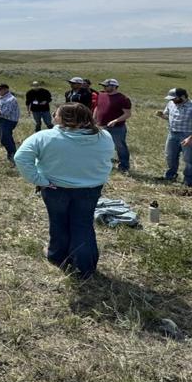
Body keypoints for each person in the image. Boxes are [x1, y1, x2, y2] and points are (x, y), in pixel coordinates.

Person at [13, 103, 115, 280]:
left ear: (64, 118)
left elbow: (21, 158)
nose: (53, 116)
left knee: (58, 222)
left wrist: (39, 180)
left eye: (56, 114)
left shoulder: (45, 136)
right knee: (82, 225)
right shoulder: (103, 136)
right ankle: (85, 267)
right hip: (90, 189)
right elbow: (107, 159)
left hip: (55, 188)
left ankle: (57, 256)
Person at [157, 87, 192, 187]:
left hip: (188, 135)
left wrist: (191, 138)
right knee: (170, 156)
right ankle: (171, 176)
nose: (172, 100)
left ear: (183, 97)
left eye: (174, 98)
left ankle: (189, 180)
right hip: (172, 133)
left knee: (189, 159)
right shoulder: (171, 104)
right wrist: (161, 115)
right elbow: (169, 117)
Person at [93, 78, 133, 173]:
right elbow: (97, 108)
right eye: (103, 86)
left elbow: (127, 114)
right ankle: (102, 163)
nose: (104, 87)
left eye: (106, 86)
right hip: (101, 126)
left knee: (120, 146)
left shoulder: (123, 98)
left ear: (114, 86)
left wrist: (115, 120)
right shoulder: (101, 95)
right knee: (100, 145)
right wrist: (93, 119)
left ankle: (124, 166)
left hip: (117, 128)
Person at [0, 83, 21, 160]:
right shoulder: (3, 98)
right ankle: (13, 155)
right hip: (4, 120)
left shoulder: (10, 99)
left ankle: (12, 156)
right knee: (8, 138)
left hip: (8, 121)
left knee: (5, 139)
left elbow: (4, 113)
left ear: (6, 89)